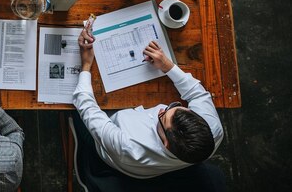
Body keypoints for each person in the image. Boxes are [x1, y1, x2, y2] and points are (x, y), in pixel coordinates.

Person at [73, 26, 223, 179]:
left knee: (75, 114)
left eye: (163, 117)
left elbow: (86, 106)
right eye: (175, 106)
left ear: (166, 143)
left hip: (109, 149)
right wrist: (167, 66)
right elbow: (196, 94)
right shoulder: (213, 129)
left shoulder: (129, 147)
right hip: (159, 167)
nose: (161, 109)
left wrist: (86, 65)